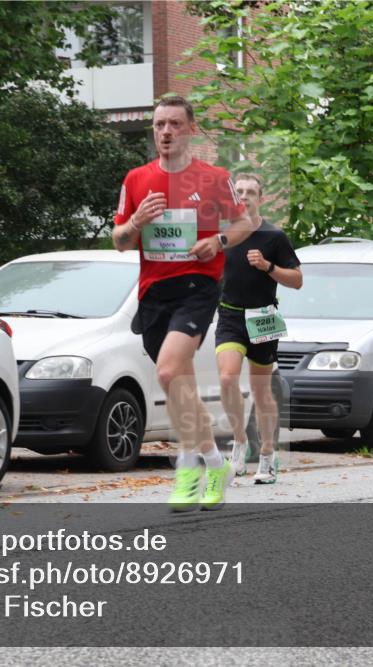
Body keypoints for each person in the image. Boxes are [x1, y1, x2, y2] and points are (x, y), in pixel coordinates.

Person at [112, 95, 254, 511]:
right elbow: (119, 242)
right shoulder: (136, 179)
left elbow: (246, 222)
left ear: (191, 129)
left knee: (169, 369)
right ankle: (207, 462)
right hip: (153, 292)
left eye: (175, 124)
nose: (166, 132)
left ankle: (190, 467)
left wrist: (219, 241)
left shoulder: (213, 178)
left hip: (197, 285)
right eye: (159, 125)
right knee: (179, 386)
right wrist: (137, 222)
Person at [216, 173, 302, 484]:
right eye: (239, 191)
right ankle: (240, 441)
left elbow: (297, 280)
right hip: (229, 316)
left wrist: (267, 266)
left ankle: (267, 454)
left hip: (263, 317)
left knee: (261, 391)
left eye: (251, 192)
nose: (244, 196)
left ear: (260, 199)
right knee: (226, 378)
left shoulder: (273, 237)